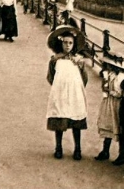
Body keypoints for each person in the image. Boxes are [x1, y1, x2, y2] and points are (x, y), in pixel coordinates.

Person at [46, 26, 89, 160]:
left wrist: (76, 85)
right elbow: (50, 77)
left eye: (70, 43)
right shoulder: (55, 60)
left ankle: (77, 149)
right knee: (59, 119)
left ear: (74, 44)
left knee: (76, 121)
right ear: (61, 43)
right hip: (60, 93)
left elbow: (84, 78)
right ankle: (58, 148)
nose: (68, 46)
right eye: (65, 42)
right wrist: (59, 86)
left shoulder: (78, 60)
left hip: (75, 93)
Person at [95, 54, 124, 165]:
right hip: (109, 103)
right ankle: (105, 151)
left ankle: (122, 155)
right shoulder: (110, 74)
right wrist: (104, 87)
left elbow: (120, 93)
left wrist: (110, 91)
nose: (106, 66)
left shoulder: (121, 77)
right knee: (108, 125)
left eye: (108, 65)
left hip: (117, 104)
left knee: (118, 127)